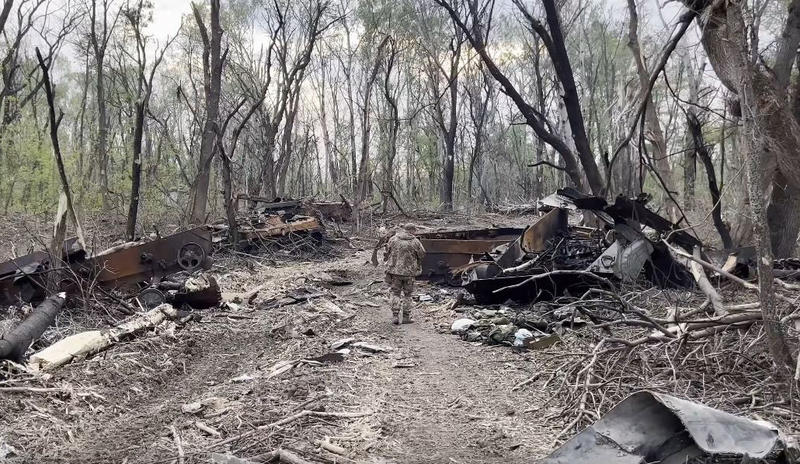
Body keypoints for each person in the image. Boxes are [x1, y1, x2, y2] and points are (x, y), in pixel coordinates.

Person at [384, 223, 426, 325]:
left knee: (395, 293)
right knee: (408, 295)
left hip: (394, 272)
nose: (415, 232)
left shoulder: (393, 239)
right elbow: (422, 254)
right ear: (412, 230)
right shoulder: (415, 242)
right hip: (409, 273)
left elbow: (387, 252)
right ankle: (406, 317)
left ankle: (395, 316)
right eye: (415, 230)